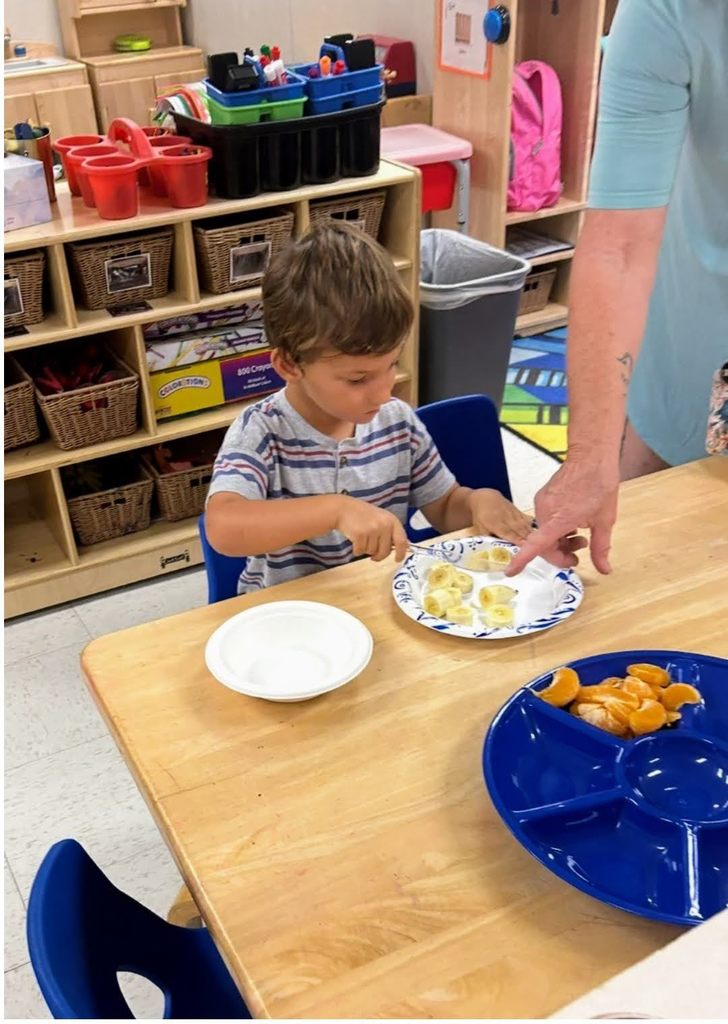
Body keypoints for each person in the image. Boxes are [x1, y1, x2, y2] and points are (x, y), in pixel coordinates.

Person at [507, 0, 728, 580]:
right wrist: (589, 457)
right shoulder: (669, 11)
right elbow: (619, 245)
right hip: (691, 347)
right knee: (641, 579)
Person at [206, 222, 535, 594]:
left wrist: (477, 502)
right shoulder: (262, 431)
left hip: (378, 598)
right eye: (358, 379)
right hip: (291, 615)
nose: (383, 393)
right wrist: (335, 510)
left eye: (391, 366)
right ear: (289, 366)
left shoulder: (397, 422)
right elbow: (224, 527)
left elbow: (443, 506)